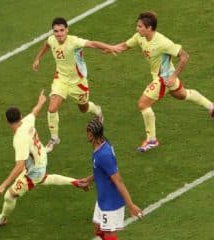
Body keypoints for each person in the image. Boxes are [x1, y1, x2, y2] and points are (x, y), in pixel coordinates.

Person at [112, 11, 214, 152]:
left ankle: (152, 140)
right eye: (138, 26)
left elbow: (184, 56)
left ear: (149, 28)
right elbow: (125, 46)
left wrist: (173, 76)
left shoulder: (163, 42)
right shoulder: (139, 37)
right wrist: (110, 48)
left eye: (140, 26)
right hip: (162, 76)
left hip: (164, 79)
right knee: (182, 95)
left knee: (143, 104)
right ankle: (211, 106)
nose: (137, 29)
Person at [0, 90, 85, 229]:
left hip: (35, 169)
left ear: (7, 121)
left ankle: (2, 219)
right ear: (20, 117)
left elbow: (19, 166)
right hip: (42, 157)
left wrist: (3, 185)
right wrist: (41, 101)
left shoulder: (19, 139)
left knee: (9, 196)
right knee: (43, 178)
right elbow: (35, 111)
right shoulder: (26, 121)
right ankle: (76, 182)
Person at [32, 17, 120, 153]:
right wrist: (38, 58)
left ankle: (97, 110)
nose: (59, 34)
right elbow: (47, 45)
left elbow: (93, 44)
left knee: (83, 108)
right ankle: (54, 138)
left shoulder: (74, 42)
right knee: (52, 108)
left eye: (62, 30)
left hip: (78, 83)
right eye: (56, 31)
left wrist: (110, 47)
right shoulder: (52, 40)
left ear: (67, 30)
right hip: (60, 79)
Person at [78, 118, 143, 240]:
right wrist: (89, 179)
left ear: (91, 134)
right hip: (103, 198)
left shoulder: (104, 155)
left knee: (109, 235)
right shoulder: (102, 146)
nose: (86, 134)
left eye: (87, 132)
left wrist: (130, 205)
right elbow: (102, 171)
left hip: (111, 201)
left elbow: (118, 181)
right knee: (98, 229)